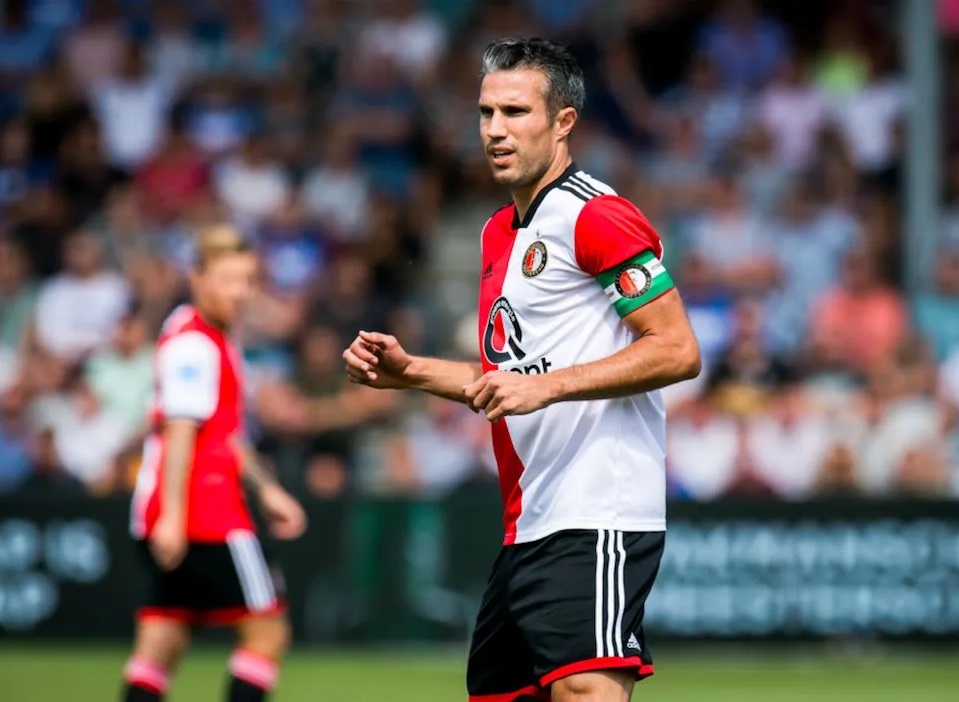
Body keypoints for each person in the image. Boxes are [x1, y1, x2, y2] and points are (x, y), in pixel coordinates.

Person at [343, 37, 701, 702]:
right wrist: (409, 370)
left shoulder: (596, 214)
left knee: (585, 688)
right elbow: (507, 381)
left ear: (563, 122)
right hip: (529, 520)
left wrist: (548, 386)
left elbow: (677, 349)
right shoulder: (497, 233)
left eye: (515, 112)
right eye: (486, 113)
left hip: (597, 511)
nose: (495, 130)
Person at [122, 226, 307, 702]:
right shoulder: (195, 346)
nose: (240, 293)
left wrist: (267, 490)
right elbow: (181, 432)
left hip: (168, 510)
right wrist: (174, 517)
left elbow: (223, 431)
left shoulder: (195, 329)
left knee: (161, 642)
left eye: (246, 280)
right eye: (228, 280)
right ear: (197, 278)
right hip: (207, 512)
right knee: (268, 632)